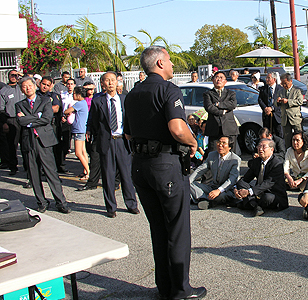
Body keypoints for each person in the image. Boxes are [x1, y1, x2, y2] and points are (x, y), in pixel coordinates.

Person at [123, 46, 206, 300]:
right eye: (169, 61)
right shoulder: (168, 89)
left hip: (140, 166)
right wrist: (193, 143)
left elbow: (127, 133)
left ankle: (165, 287)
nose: (172, 65)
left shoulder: (132, 94)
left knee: (158, 229)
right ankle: (181, 290)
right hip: (165, 165)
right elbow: (177, 127)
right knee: (177, 229)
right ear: (159, 63)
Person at [15, 77, 71, 214]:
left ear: (35, 86)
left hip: (44, 141)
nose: (27, 88)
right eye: (24, 86)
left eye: (29, 85)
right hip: (29, 142)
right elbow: (21, 122)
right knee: (34, 175)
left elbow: (46, 119)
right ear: (21, 89)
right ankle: (41, 201)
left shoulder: (45, 101)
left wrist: (28, 119)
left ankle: (61, 202)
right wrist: (36, 117)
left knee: (51, 173)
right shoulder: (19, 105)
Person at [89, 71, 139, 218]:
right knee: (108, 175)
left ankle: (131, 204)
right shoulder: (98, 101)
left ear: (117, 82)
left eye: (113, 80)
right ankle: (111, 207)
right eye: (107, 81)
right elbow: (94, 123)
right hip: (107, 141)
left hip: (122, 141)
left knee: (126, 175)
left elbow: (130, 119)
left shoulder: (124, 99)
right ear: (102, 84)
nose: (110, 83)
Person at [234, 138, 288, 216]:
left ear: (271, 149)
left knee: (267, 197)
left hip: (272, 193)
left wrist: (248, 192)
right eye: (259, 146)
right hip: (258, 192)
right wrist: (236, 189)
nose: (260, 149)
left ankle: (250, 204)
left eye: (264, 147)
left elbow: (267, 184)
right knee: (241, 184)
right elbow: (245, 179)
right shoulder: (257, 161)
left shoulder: (277, 164)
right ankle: (256, 206)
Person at [189, 135, 241, 210]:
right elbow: (200, 170)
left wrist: (219, 190)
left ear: (229, 147)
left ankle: (205, 200)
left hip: (226, 189)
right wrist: (189, 181)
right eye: (219, 142)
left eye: (223, 143)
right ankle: (205, 199)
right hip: (212, 187)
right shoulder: (212, 155)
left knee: (221, 196)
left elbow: (232, 179)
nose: (220, 145)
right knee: (189, 184)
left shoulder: (235, 159)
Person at [203, 71, 240, 155]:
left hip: (229, 127)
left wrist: (218, 104)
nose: (218, 79)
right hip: (214, 128)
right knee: (213, 153)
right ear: (213, 80)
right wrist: (223, 111)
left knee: (231, 154)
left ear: (225, 81)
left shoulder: (231, 93)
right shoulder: (208, 94)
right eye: (216, 77)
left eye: (221, 78)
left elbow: (233, 104)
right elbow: (209, 107)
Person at [0, 70, 24, 175]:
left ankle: (28, 167)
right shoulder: (4, 90)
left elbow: (33, 83)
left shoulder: (22, 87)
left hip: (23, 119)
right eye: (12, 75)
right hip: (11, 119)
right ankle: (13, 167)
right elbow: (1, 109)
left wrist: (22, 76)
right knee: (12, 145)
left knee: (25, 145)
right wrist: (4, 123)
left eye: (16, 75)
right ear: (8, 76)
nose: (14, 77)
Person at [64, 86, 89, 180]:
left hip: (78, 129)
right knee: (83, 151)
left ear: (78, 95)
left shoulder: (79, 103)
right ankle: (85, 171)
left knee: (78, 153)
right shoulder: (84, 103)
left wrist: (67, 113)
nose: (73, 95)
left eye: (74, 93)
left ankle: (88, 172)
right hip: (82, 129)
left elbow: (67, 110)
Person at [277, 73, 303, 149]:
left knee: (299, 136)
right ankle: (289, 152)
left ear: (290, 81)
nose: (284, 86)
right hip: (285, 118)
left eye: (286, 83)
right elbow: (275, 103)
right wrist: (278, 101)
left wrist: (288, 101)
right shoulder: (280, 91)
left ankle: (301, 151)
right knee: (287, 138)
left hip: (295, 117)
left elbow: (300, 101)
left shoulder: (297, 90)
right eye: (283, 84)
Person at [258, 72, 283, 138]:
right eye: (266, 78)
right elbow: (260, 100)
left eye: (269, 78)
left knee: (279, 134)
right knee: (267, 134)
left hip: (277, 115)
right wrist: (265, 108)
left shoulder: (280, 89)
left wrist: (272, 108)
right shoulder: (263, 89)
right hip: (267, 115)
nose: (267, 79)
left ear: (274, 79)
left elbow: (281, 102)